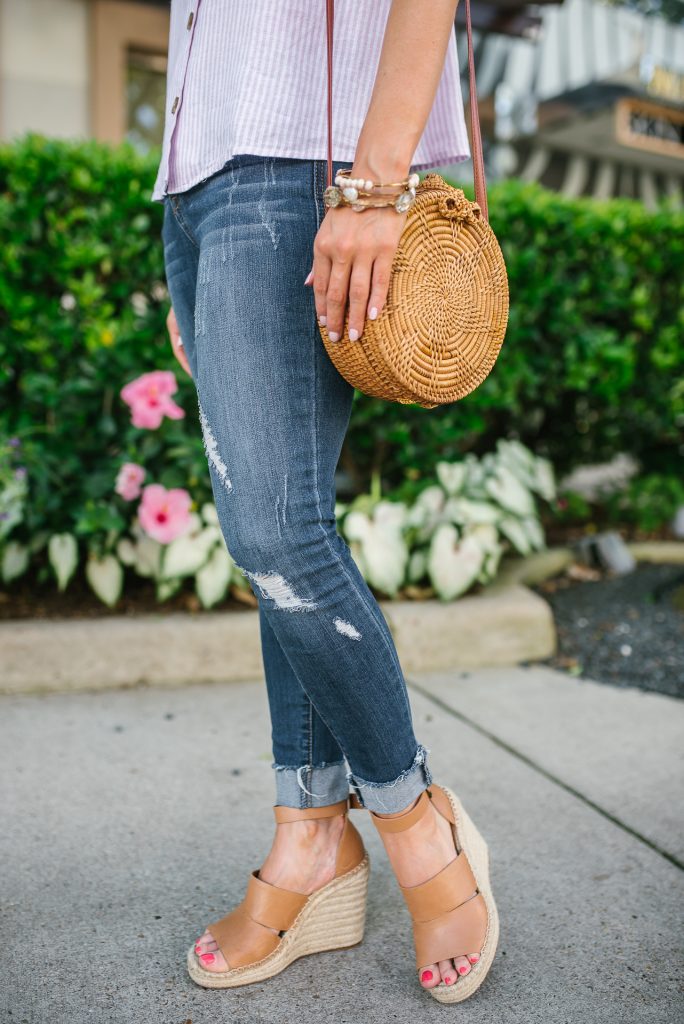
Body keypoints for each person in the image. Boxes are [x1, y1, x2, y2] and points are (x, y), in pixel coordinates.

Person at [155, 0, 498, 1003]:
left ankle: (415, 821)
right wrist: (180, 209)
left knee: (276, 533)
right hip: (197, 177)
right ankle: (310, 841)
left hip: (307, 160)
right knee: (279, 529)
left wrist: (376, 180)